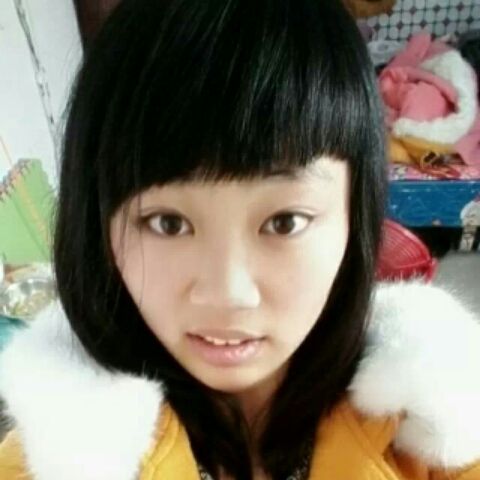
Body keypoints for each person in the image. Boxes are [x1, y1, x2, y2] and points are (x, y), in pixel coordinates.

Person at [0, 1, 479, 479]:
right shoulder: (46, 463)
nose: (228, 295)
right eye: (168, 223)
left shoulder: (442, 437)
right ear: (99, 226)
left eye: (285, 222)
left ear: (354, 215)